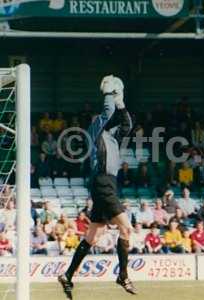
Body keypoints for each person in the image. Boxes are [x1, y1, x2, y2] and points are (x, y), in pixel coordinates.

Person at [58, 75, 137, 298]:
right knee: (126, 228)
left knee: (94, 235)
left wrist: (120, 102)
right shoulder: (94, 131)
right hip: (102, 182)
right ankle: (123, 275)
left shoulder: (111, 136)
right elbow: (107, 113)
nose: (100, 119)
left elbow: (126, 125)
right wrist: (109, 95)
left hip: (108, 183)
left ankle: (68, 276)